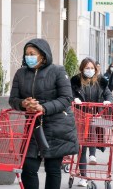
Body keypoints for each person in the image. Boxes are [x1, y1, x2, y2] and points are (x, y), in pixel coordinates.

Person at [9, 38, 79, 189]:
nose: (29, 57)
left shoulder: (57, 71)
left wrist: (43, 107)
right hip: (33, 127)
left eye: (32, 53)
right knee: (28, 168)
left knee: (53, 169)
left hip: (57, 126)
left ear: (43, 55)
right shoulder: (21, 73)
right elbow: (13, 99)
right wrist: (23, 103)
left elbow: (66, 98)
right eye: (26, 54)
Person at [71, 57, 113, 187]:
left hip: (95, 114)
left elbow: (108, 94)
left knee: (92, 135)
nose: (89, 70)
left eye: (92, 68)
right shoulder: (75, 82)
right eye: (87, 68)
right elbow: (68, 94)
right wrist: (74, 99)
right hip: (80, 115)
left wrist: (107, 101)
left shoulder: (100, 82)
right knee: (82, 146)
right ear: (82, 69)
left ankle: (93, 155)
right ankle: (83, 177)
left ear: (95, 69)